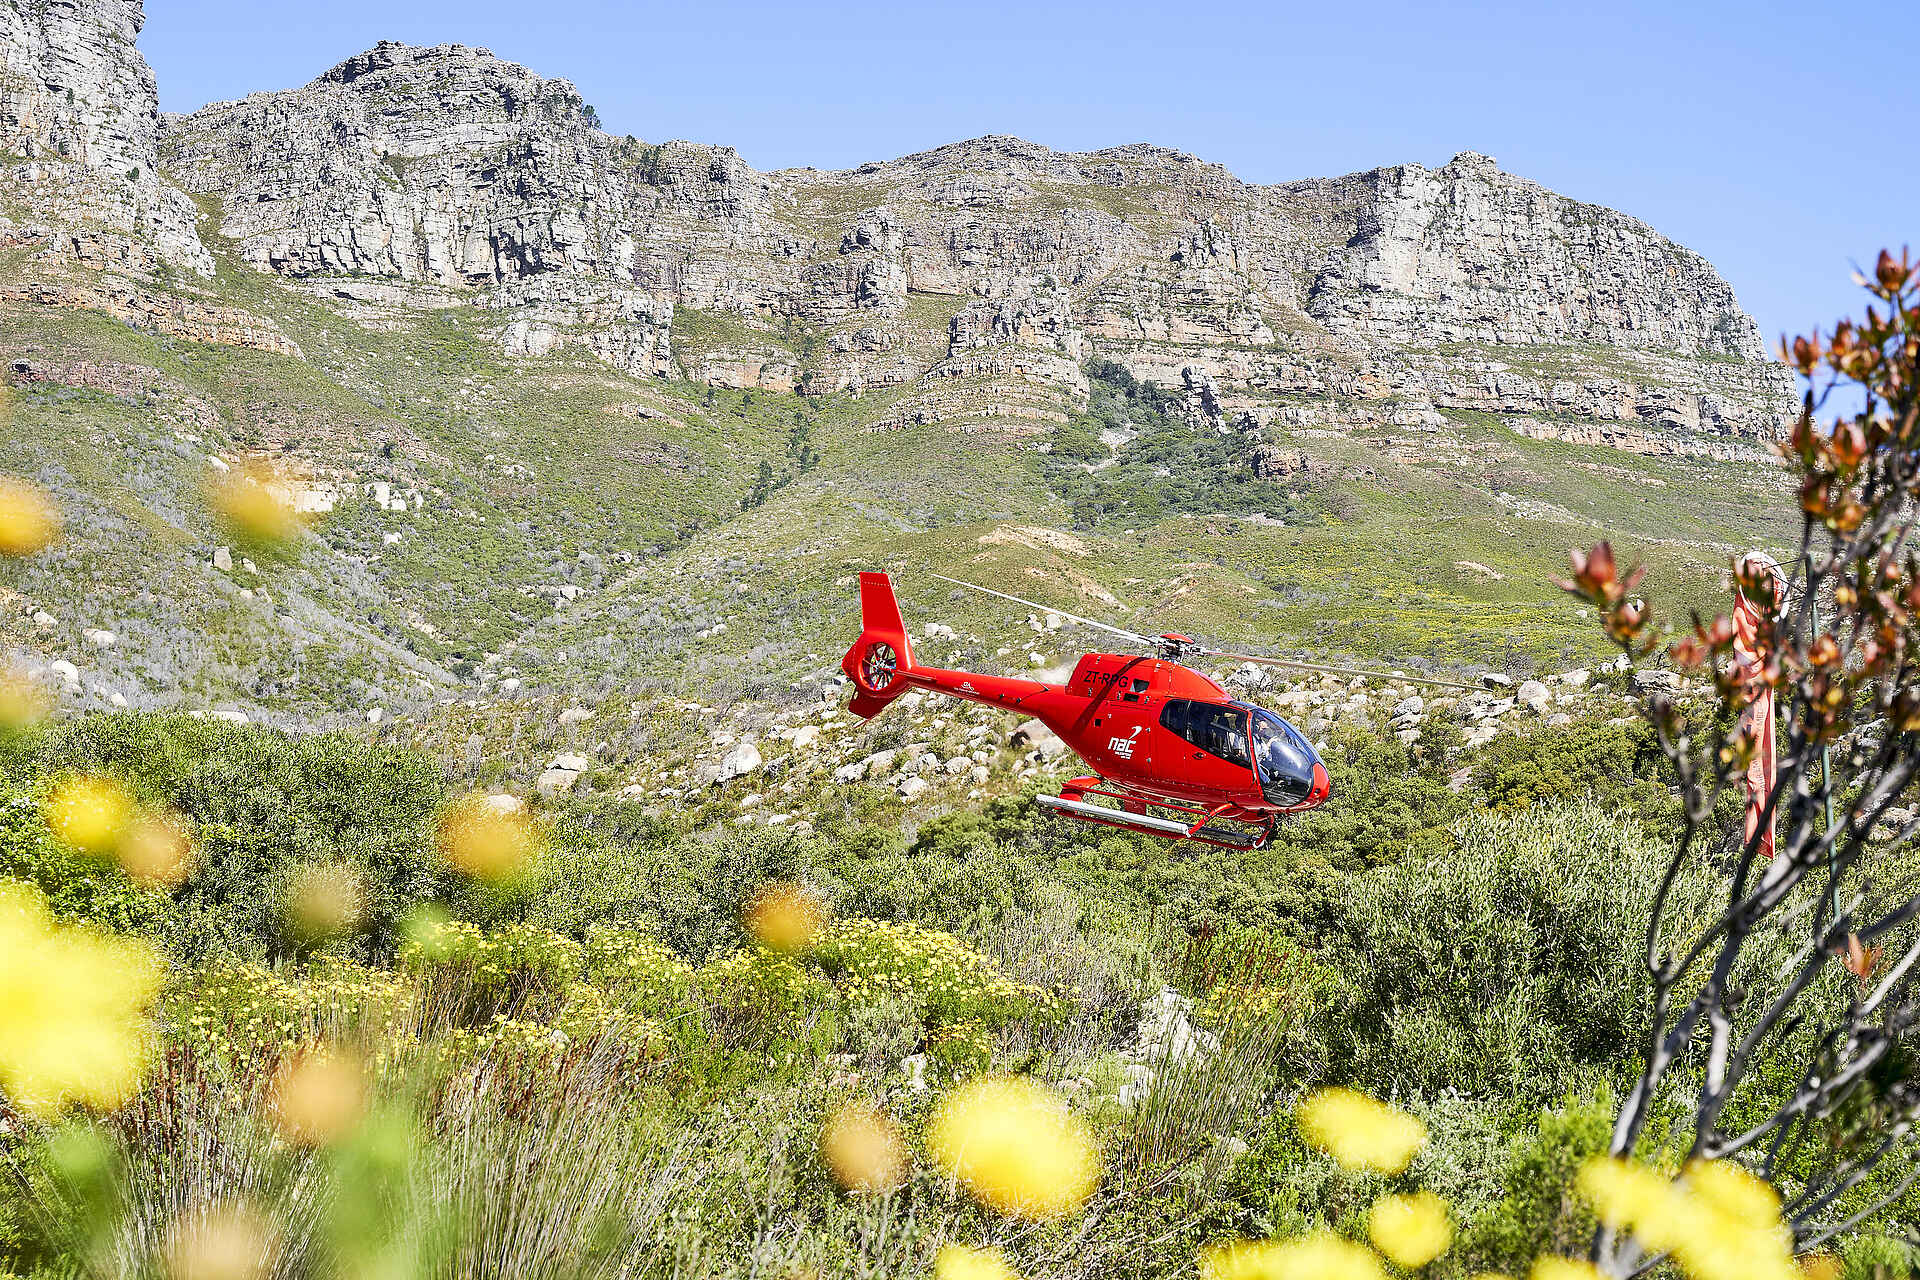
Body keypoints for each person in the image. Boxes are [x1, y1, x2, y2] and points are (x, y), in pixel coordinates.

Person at [1732, 551, 1787, 861]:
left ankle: (1759, 834)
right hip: (1756, 687)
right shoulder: (1746, 617)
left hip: (1756, 685)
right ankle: (1759, 834)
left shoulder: (1747, 615)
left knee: (1759, 758)